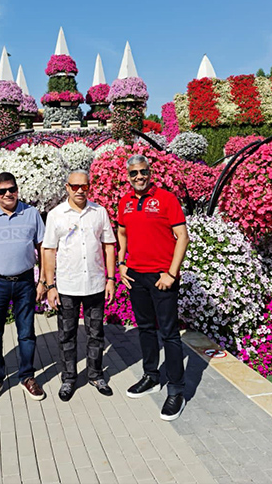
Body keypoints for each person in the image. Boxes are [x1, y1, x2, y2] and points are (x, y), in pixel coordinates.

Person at [116, 154, 190, 421]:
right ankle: (150, 376)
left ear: (150, 172)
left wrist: (172, 272)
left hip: (162, 277)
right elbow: (122, 232)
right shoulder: (124, 202)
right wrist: (122, 262)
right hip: (136, 276)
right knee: (146, 329)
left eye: (143, 172)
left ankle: (176, 390)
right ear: (128, 176)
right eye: (134, 173)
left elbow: (182, 236)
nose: (139, 177)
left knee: (169, 334)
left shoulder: (167, 199)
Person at [43, 169, 117, 401]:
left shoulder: (99, 212)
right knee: (67, 335)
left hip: (94, 284)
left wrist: (111, 279)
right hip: (67, 286)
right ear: (67, 187)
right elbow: (48, 250)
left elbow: (109, 246)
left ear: (89, 187)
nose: (79, 191)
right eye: (74, 186)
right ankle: (69, 379)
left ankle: (95, 374)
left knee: (96, 333)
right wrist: (50, 285)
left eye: (83, 186)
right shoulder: (56, 215)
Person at [0, 172, 46, 404]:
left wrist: (43, 280)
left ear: (17, 189)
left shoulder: (31, 214)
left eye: (11, 189)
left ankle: (27, 376)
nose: (8, 194)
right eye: (2, 191)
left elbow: (43, 248)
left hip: (24, 282)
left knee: (26, 333)